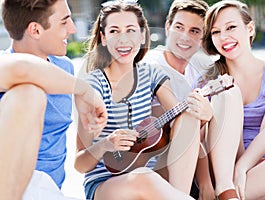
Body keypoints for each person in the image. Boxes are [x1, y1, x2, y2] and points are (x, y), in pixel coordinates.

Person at [74, 1, 213, 199]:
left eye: (131, 30)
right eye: (114, 31)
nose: (123, 39)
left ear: (142, 36)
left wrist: (203, 116)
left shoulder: (152, 74)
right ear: (103, 38)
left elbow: (180, 122)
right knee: (143, 177)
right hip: (106, 185)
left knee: (187, 116)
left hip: (152, 177)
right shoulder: (93, 86)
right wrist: (105, 144)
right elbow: (79, 164)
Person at [0, 0, 107, 199]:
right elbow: (23, 69)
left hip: (48, 191)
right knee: (30, 94)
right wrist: (84, 90)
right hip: (9, 185)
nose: (73, 28)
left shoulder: (64, 68)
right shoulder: (3, 65)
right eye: (64, 22)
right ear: (35, 30)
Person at [143, 1, 243, 199]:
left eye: (195, 31)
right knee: (193, 117)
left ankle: (227, 186)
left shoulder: (200, 68)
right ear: (167, 27)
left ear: (203, 37)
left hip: (195, 164)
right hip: (157, 165)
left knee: (229, 96)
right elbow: (177, 131)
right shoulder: (151, 66)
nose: (184, 37)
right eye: (179, 27)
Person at [200, 0, 265, 199]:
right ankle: (227, 193)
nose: (224, 37)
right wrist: (207, 184)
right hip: (225, 174)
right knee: (230, 93)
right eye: (216, 32)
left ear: (250, 28)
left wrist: (242, 169)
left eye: (231, 27)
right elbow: (198, 139)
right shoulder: (207, 81)